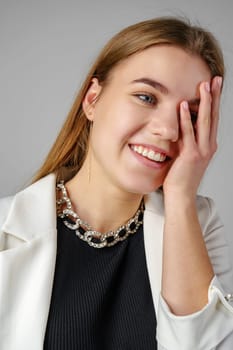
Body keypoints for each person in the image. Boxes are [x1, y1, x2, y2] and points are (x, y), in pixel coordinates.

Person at [0, 16, 233, 350]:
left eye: (192, 116)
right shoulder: (5, 231)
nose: (168, 129)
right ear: (92, 99)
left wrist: (181, 196)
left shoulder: (197, 224)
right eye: (147, 97)